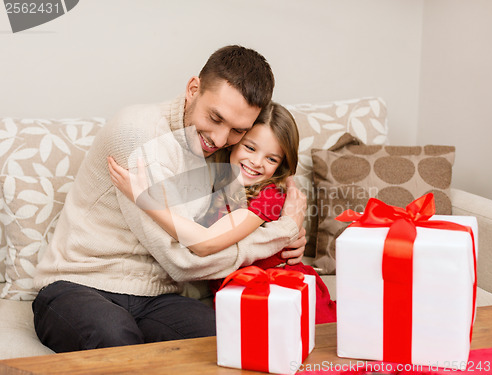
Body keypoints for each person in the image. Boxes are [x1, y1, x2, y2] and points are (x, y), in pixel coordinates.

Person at [32, 45, 307, 353]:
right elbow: (184, 260)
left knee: (235, 337)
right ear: (193, 89)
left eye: (237, 131)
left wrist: (287, 232)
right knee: (115, 339)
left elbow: (247, 211)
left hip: (155, 298)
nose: (219, 139)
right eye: (215, 117)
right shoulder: (139, 137)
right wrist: (282, 232)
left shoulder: (224, 156)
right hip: (79, 284)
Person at [108, 102, 337, 323]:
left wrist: (143, 198)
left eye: (271, 158)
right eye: (250, 147)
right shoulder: (216, 186)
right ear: (233, 142)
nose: (256, 162)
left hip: (280, 294)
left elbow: (206, 243)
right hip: (239, 296)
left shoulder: (269, 197)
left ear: (280, 164)